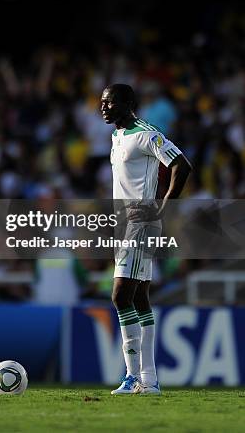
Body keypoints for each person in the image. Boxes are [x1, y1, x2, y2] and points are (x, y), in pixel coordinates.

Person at [100, 83, 191, 396]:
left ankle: (132, 376)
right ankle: (148, 380)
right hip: (123, 223)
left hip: (141, 222)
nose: (103, 108)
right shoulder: (116, 136)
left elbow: (181, 164)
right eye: (102, 102)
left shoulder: (145, 133)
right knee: (138, 298)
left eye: (109, 103)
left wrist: (161, 211)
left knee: (120, 296)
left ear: (126, 103)